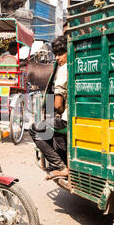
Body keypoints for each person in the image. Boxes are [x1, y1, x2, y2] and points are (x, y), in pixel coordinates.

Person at [29, 35, 68, 180]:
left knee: (34, 129)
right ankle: (63, 161)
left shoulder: (64, 69)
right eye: (56, 54)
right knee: (52, 126)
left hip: (66, 120)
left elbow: (57, 104)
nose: (58, 58)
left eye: (61, 53)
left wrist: (59, 112)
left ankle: (61, 167)